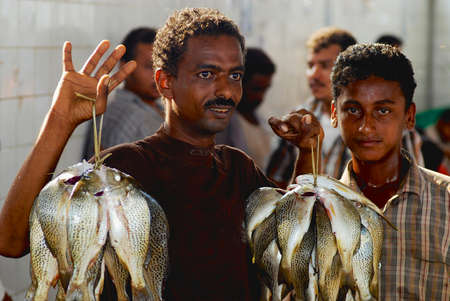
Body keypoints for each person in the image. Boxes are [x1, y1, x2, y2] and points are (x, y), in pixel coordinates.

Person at [0, 8, 322, 300]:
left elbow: (293, 242)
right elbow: (12, 241)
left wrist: (307, 153)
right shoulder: (124, 170)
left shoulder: (238, 168)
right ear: (165, 82)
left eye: (235, 75)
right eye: (207, 74)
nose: (225, 90)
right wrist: (60, 120)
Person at [329, 43, 449, 300]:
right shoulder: (319, 210)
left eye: (383, 111)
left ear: (409, 116)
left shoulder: (446, 202)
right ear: (334, 114)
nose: (366, 127)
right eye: (353, 110)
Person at [266, 27, 357, 187]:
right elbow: (274, 183)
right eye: (310, 65)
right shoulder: (297, 120)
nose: (314, 74)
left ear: (350, 71)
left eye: (324, 65)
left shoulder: (367, 123)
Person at [82, 27, 164, 159]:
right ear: (124, 66)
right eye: (149, 66)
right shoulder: (123, 115)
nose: (157, 75)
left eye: (162, 67)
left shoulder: (156, 107)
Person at [216, 47, 276, 168]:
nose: (260, 97)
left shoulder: (263, 124)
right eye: (256, 89)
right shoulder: (223, 124)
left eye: (265, 89)